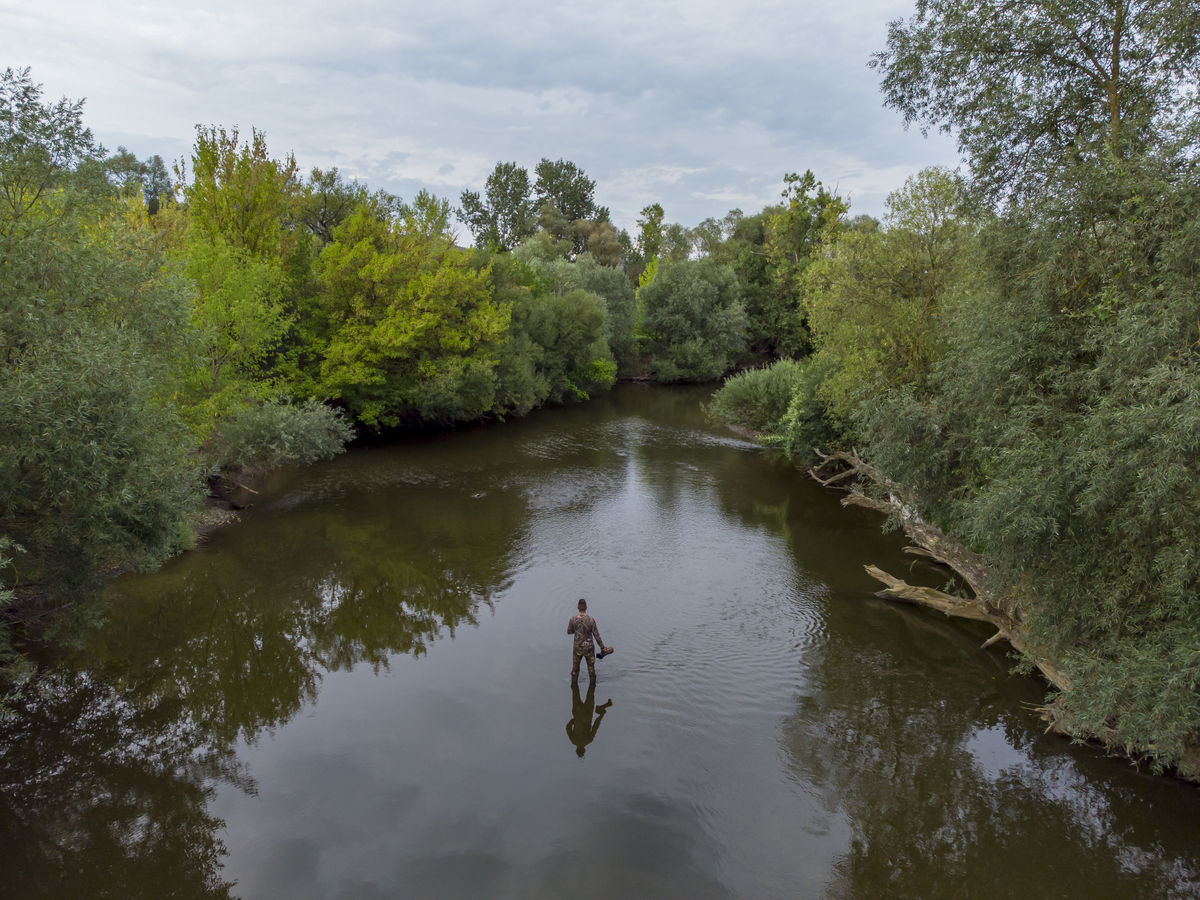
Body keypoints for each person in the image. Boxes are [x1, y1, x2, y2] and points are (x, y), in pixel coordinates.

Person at [567, 597, 611, 683]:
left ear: (577, 607)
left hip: (577, 648)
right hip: (589, 648)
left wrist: (576, 629)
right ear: (586, 607)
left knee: (575, 669)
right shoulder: (591, 620)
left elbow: (569, 631)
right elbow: (597, 636)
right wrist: (603, 648)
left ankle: (574, 685)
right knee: (591, 669)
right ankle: (592, 686)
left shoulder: (572, 619)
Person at [565, 680, 612, 758]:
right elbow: (567, 728)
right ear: (576, 749)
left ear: (584, 749)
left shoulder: (588, 740)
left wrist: (601, 716)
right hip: (577, 712)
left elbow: (596, 726)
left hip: (587, 714)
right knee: (575, 690)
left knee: (591, 690)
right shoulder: (573, 740)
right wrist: (573, 720)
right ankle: (575, 678)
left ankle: (602, 708)